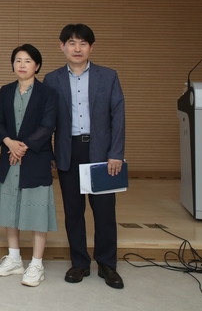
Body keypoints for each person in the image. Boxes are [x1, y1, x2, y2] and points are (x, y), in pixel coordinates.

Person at [43, 24, 125, 289]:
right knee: (73, 211)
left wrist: (116, 153)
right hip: (69, 151)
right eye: (71, 43)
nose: (77, 48)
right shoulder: (52, 79)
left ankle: (107, 264)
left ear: (91, 47)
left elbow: (118, 116)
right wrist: (51, 153)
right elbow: (47, 121)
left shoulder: (108, 76)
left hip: (101, 152)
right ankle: (79, 262)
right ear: (62, 46)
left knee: (104, 212)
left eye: (83, 43)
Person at [0, 44, 58, 287]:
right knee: (10, 209)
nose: (22, 65)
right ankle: (14, 258)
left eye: (27, 61)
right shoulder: (6, 91)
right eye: (18, 60)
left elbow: (48, 126)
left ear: (37, 66)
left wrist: (22, 147)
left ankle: (37, 264)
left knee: (37, 212)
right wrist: (9, 143)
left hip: (35, 159)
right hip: (10, 158)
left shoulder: (47, 93)